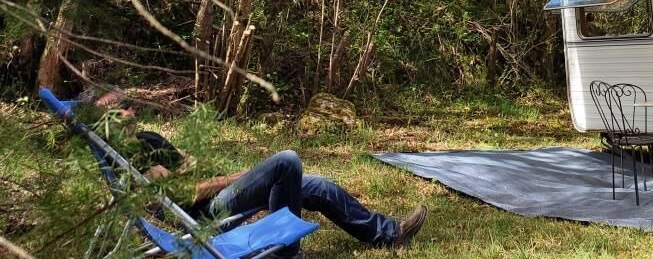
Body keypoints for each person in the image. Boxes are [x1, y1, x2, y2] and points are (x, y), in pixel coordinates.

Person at [89, 90, 427, 255]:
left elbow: (188, 163)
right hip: (204, 211)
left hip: (213, 193)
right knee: (286, 161)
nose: (129, 110)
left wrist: (200, 171)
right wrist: (235, 179)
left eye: (128, 103)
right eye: (117, 108)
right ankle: (285, 251)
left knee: (318, 186)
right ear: (101, 119)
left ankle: (390, 233)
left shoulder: (147, 137)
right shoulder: (127, 155)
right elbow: (183, 195)